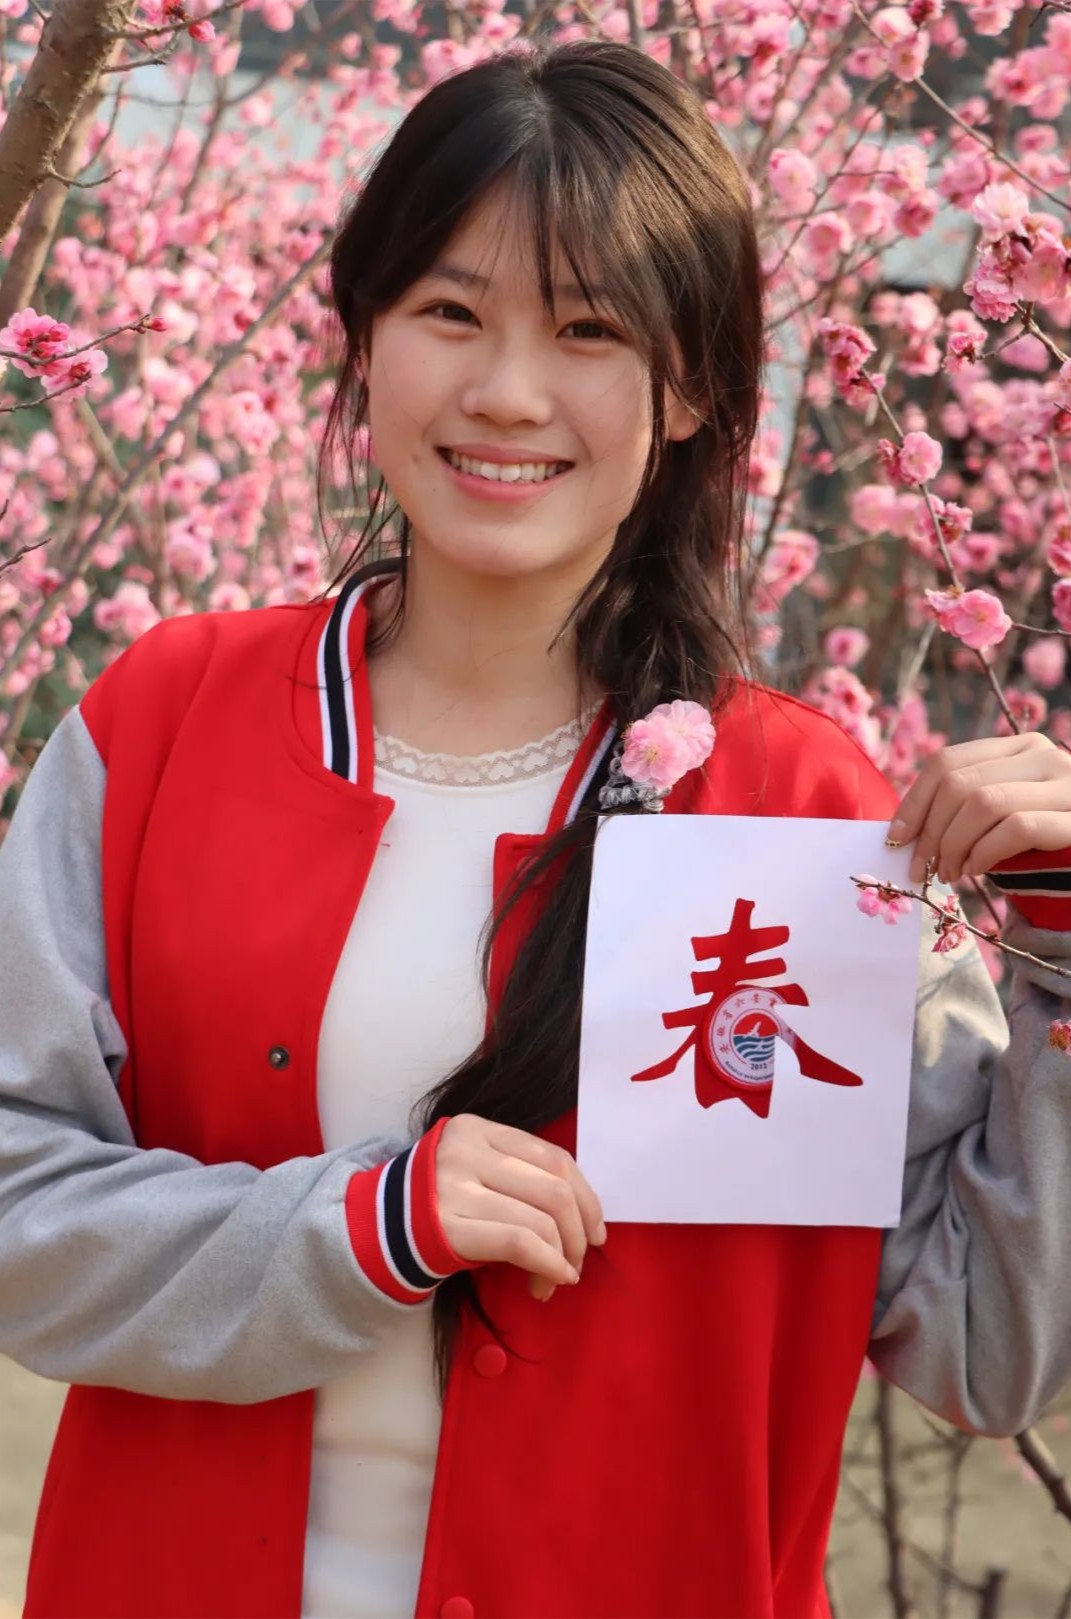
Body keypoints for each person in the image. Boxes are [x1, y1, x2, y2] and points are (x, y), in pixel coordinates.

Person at [3, 34, 1071, 1619]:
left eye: (588, 330)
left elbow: (990, 1342)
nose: (506, 392)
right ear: (363, 336)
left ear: (694, 386)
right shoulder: (160, 727)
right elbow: (17, 1200)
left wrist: (1064, 949)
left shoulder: (798, 813)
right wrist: (364, 1226)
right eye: (450, 313)